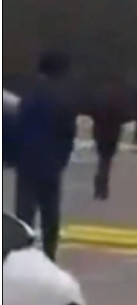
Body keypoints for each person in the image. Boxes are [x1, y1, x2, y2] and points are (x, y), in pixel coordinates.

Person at [14, 51, 79, 260]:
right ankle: (50, 255)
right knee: (50, 215)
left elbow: (17, 128)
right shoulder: (65, 98)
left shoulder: (30, 96)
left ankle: (22, 256)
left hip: (27, 162)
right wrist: (62, 159)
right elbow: (69, 133)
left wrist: (14, 157)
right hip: (51, 164)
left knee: (25, 215)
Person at [89, 82, 131, 200]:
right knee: (106, 160)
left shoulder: (100, 103)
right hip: (112, 134)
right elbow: (126, 116)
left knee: (102, 159)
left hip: (100, 133)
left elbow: (93, 113)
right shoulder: (119, 104)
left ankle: (99, 185)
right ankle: (102, 186)